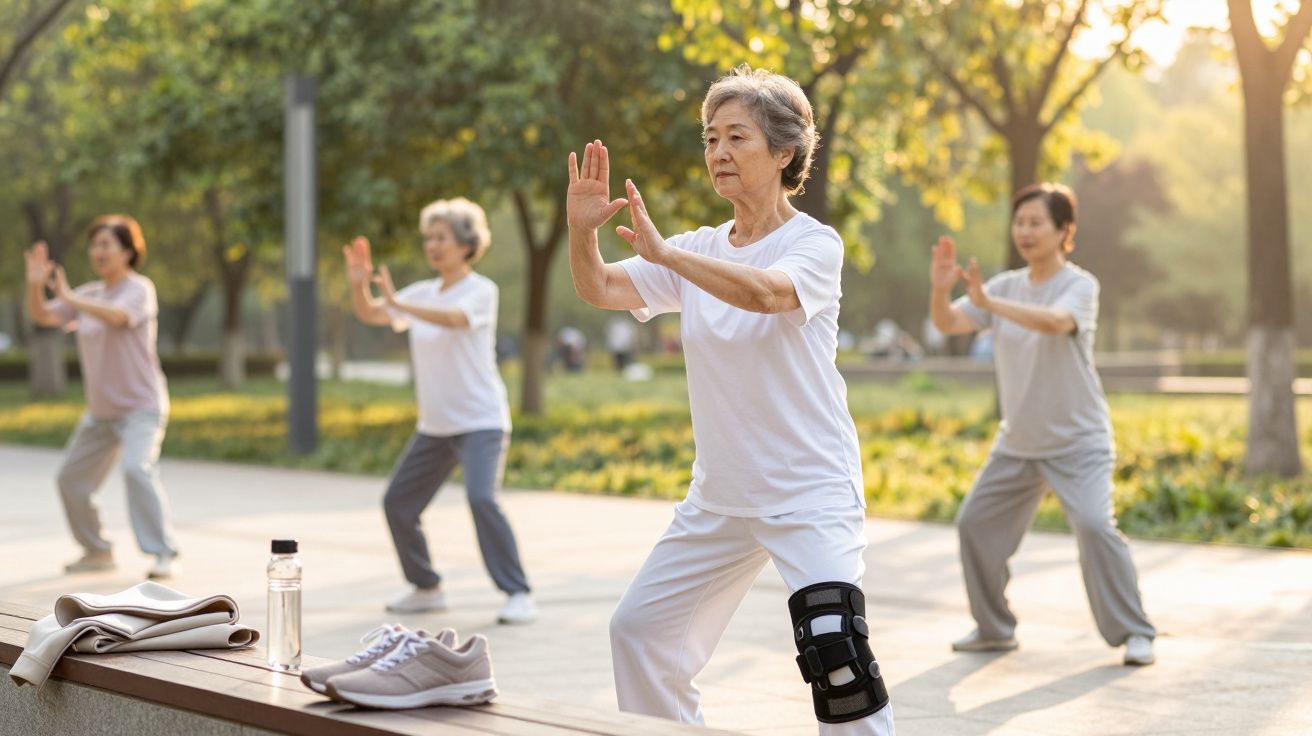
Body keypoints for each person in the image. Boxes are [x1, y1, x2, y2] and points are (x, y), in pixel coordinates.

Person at [566, 66, 894, 734]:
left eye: (736, 136)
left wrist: (671, 259)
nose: (717, 151)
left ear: (783, 152)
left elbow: (769, 295)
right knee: (640, 634)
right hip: (721, 498)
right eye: (710, 138)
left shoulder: (813, 243)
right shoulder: (694, 248)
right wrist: (580, 231)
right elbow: (599, 287)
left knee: (837, 655)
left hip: (809, 490)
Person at [927, 183, 1156, 666]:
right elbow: (948, 324)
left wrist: (989, 305)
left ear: (1064, 230)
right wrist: (940, 289)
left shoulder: (1079, 285)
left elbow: (1055, 322)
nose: (1025, 232)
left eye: (1036, 222)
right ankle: (994, 629)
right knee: (973, 525)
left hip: (1078, 441)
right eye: (1020, 222)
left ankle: (1135, 631)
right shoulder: (1005, 287)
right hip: (1019, 443)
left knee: (1095, 526)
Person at [343, 197, 535, 625]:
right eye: (428, 238)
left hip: (481, 420)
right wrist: (360, 284)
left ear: (466, 243)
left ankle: (517, 591)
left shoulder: (481, 290)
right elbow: (372, 312)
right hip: (436, 426)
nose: (432, 245)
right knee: (398, 503)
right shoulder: (421, 293)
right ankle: (427, 586)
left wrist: (398, 302)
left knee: (482, 498)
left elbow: (453, 319)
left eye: (441, 237)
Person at [24, 216, 180, 579]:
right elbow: (43, 314)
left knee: (137, 470)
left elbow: (118, 317)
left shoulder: (139, 289)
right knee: (70, 480)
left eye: (107, 244)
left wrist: (68, 296)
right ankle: (97, 550)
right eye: (95, 245)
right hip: (101, 413)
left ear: (128, 251)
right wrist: (35, 286)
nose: (99, 251)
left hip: (141, 408)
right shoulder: (87, 293)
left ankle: (164, 553)